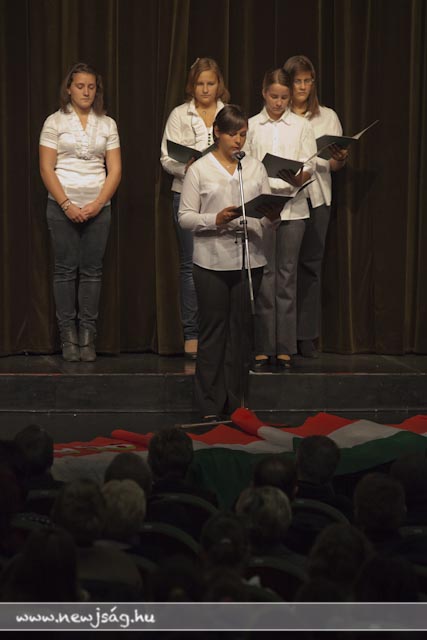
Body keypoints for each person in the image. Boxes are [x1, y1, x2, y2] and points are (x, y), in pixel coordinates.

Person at [178, 104, 281, 420]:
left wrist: (272, 218)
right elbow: (185, 218)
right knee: (213, 335)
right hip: (211, 262)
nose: (239, 140)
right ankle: (209, 404)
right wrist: (215, 219)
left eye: (243, 135)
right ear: (217, 133)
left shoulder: (254, 169)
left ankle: (236, 404)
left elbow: (266, 217)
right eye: (233, 134)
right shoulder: (200, 169)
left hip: (248, 261)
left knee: (240, 335)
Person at [39, 62, 121, 362]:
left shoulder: (107, 124)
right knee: (64, 271)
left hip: (99, 207)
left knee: (92, 272)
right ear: (69, 89)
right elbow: (46, 167)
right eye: (80, 86)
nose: (86, 92)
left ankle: (88, 336)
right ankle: (68, 337)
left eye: (91, 87)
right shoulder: (54, 122)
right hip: (62, 207)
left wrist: (97, 204)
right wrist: (67, 205)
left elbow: (115, 170)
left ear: (97, 90)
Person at [246, 68, 316, 369]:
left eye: (284, 98)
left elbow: (310, 165)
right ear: (264, 93)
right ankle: (264, 345)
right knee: (265, 276)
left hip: (293, 207)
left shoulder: (301, 125)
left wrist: (298, 177)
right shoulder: (252, 125)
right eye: (274, 96)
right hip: (263, 208)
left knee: (287, 276)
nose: (278, 102)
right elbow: (245, 163)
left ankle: (285, 346)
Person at [160, 58, 230, 359]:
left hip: (223, 196)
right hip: (187, 194)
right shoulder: (180, 114)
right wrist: (187, 167)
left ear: (218, 85)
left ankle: (220, 332)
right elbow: (166, 157)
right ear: (192, 85)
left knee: (223, 264)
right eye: (200, 84)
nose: (205, 89)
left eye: (210, 83)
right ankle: (192, 333)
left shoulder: (227, 113)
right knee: (190, 265)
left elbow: (242, 148)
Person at [283, 55, 348, 358]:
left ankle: (305, 335)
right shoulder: (280, 114)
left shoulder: (327, 116)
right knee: (283, 268)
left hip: (318, 197)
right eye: (298, 81)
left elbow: (333, 165)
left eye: (308, 81)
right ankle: (280, 336)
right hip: (287, 198)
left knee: (310, 266)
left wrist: (341, 157)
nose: (303, 87)